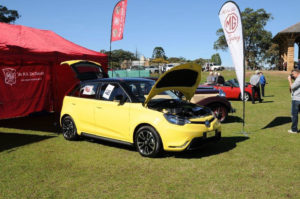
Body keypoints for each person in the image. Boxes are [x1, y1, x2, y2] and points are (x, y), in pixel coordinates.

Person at [288, 69, 300, 134]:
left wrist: (290, 80)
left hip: (297, 99)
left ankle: (294, 129)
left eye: (293, 74)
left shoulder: (299, 79)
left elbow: (292, 87)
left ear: (297, 73)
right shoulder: (297, 79)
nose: (292, 76)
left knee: (294, 115)